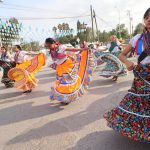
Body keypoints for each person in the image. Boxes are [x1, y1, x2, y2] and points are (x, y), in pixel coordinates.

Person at [104, 8, 150, 142]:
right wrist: (128, 62)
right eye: (146, 17)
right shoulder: (137, 38)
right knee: (142, 103)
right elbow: (122, 55)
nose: (148, 19)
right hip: (142, 75)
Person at [45, 38, 95, 104]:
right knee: (61, 84)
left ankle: (67, 99)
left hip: (67, 66)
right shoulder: (51, 50)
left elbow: (72, 49)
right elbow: (55, 59)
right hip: (60, 68)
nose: (48, 47)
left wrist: (82, 49)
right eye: (47, 46)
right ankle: (64, 98)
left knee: (67, 83)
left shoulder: (61, 47)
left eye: (49, 45)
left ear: (54, 43)